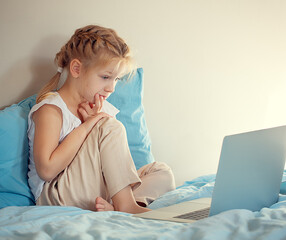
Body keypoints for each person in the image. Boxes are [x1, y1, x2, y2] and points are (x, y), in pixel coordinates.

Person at [27, 25, 175, 214]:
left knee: (161, 172)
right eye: (105, 77)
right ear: (76, 68)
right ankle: (126, 206)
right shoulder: (52, 109)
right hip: (57, 195)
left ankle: (117, 206)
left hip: (94, 191)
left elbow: (112, 166)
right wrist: (89, 125)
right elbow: (46, 170)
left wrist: (95, 122)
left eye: (116, 79)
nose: (111, 87)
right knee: (108, 125)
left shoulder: (101, 108)